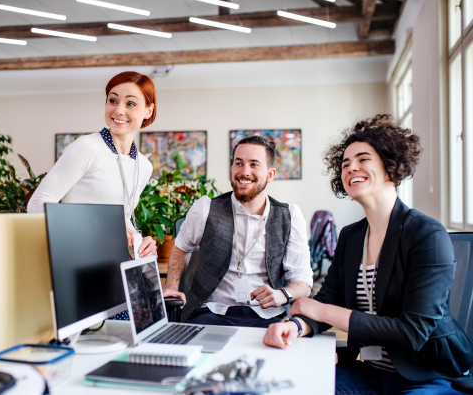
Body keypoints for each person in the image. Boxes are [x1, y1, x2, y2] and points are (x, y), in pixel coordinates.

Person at [263, 114, 473, 394]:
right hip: (369, 373)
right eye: (345, 163)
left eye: (363, 159)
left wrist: (322, 310)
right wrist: (297, 326)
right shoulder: (351, 236)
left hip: (426, 375)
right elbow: (328, 298)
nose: (351, 168)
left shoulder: (426, 234)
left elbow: (413, 332)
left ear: (391, 167)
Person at [162, 136, 313, 327]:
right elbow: (181, 248)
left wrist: (282, 294)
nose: (244, 172)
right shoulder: (205, 208)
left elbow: (303, 281)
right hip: (212, 313)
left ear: (271, 174)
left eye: (254, 164)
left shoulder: (290, 216)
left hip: (269, 317)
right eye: (238, 163)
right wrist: (170, 287)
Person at [27, 71, 157, 259]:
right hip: (75, 259)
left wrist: (141, 242)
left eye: (130, 103)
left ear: (148, 110)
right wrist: (102, 226)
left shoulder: (144, 166)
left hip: (113, 262)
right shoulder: (87, 147)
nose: (119, 110)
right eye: (113, 101)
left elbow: (123, 218)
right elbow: (37, 204)